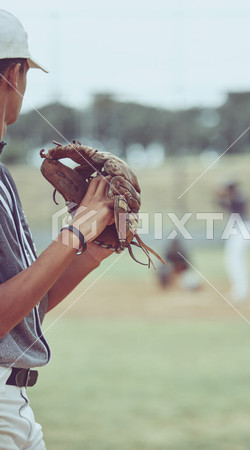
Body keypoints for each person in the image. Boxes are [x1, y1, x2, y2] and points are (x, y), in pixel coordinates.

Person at [0, 10, 115, 449]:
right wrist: (74, 232)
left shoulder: (2, 176)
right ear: (14, 73)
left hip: (14, 406)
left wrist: (90, 251)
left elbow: (21, 311)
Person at [217, 180, 250, 302]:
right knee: (237, 260)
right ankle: (243, 289)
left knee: (233, 259)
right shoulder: (236, 197)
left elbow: (233, 203)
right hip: (242, 230)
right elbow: (222, 204)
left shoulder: (238, 197)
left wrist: (222, 194)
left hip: (243, 229)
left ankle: (241, 290)